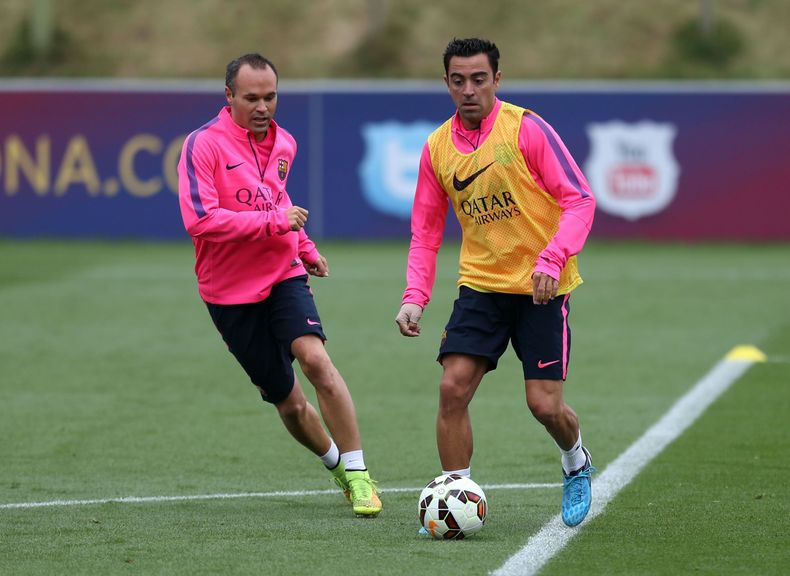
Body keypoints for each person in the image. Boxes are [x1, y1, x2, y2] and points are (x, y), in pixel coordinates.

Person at [395, 38, 596, 528]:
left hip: (542, 288)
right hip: (482, 286)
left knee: (544, 406)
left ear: (497, 81)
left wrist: (552, 257)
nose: (469, 90)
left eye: (479, 79)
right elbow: (425, 231)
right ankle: (453, 499)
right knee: (452, 388)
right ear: (446, 83)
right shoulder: (437, 148)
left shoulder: (526, 129)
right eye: (458, 80)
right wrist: (414, 297)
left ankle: (576, 462)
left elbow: (580, 200)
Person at [177, 53, 381, 517]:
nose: (263, 106)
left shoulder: (284, 142)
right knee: (289, 405)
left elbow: (279, 200)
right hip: (227, 292)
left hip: (280, 273)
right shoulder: (202, 145)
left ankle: (359, 472)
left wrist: (304, 247)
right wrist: (274, 222)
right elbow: (201, 220)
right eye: (251, 98)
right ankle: (335, 466)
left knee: (316, 360)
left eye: (270, 96)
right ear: (229, 96)